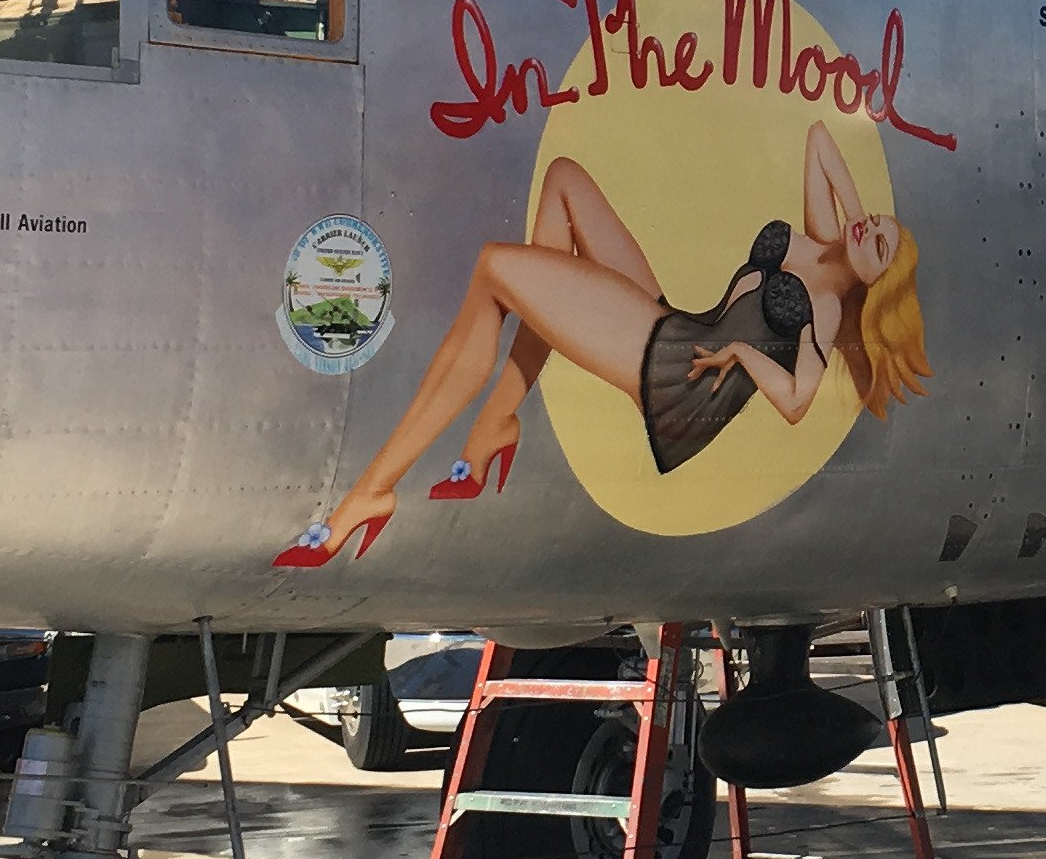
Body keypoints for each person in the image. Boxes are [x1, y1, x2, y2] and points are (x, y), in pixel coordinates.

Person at [277, 118, 929, 566]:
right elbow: (821, 138)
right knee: (563, 181)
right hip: (675, 325)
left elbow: (794, 401)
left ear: (876, 288)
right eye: (879, 223)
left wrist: (743, 354)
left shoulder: (820, 309)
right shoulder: (819, 236)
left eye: (879, 243)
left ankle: (375, 489)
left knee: (498, 269)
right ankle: (497, 422)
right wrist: (866, 227)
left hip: (674, 375)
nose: (871, 224)